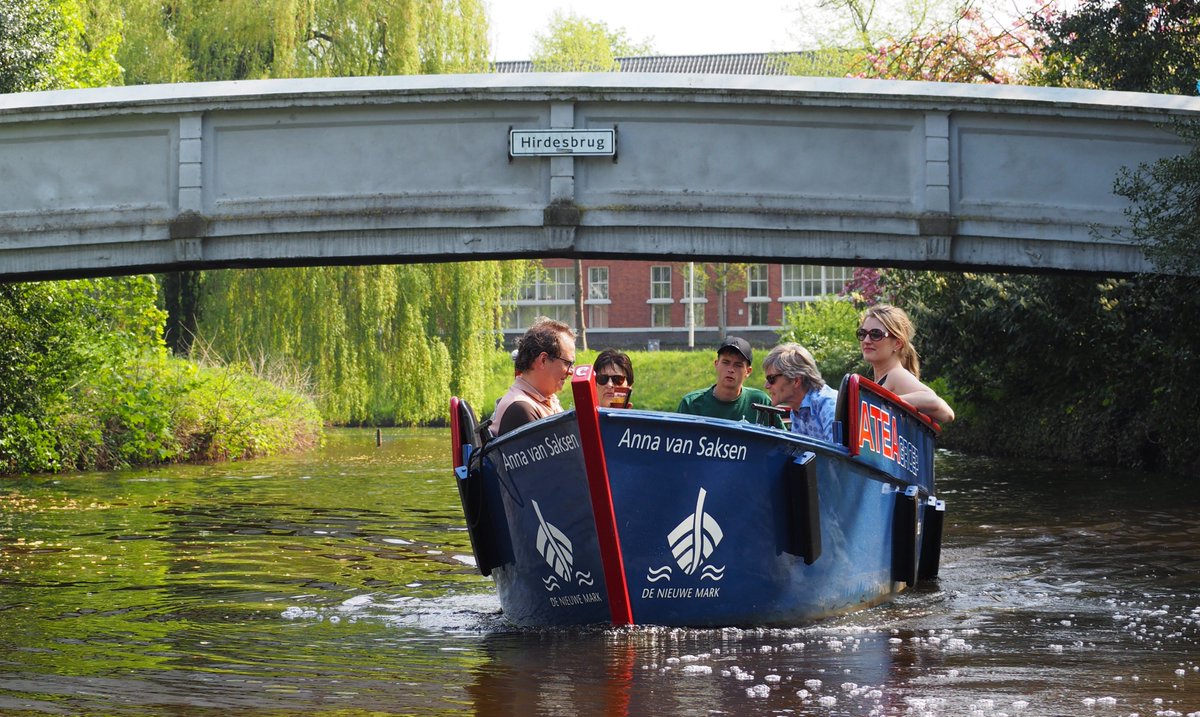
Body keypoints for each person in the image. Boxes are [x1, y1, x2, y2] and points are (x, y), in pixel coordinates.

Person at [858, 303, 955, 423]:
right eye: (862, 333)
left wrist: (887, 403)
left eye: (876, 335)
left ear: (897, 343)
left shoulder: (896, 375)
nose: (866, 341)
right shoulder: (883, 380)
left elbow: (940, 407)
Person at [490, 317, 576, 436]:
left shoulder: (547, 400)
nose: (571, 371)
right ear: (543, 360)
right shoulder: (520, 408)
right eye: (567, 363)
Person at [677, 337, 784, 428]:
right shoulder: (691, 404)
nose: (731, 369)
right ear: (716, 364)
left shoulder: (761, 402)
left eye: (738, 365)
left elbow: (783, 445)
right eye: (726, 362)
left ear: (748, 371)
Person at [762, 342, 839, 442]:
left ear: (796, 380)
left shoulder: (828, 404)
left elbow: (836, 456)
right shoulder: (797, 410)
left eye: (771, 379)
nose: (766, 385)